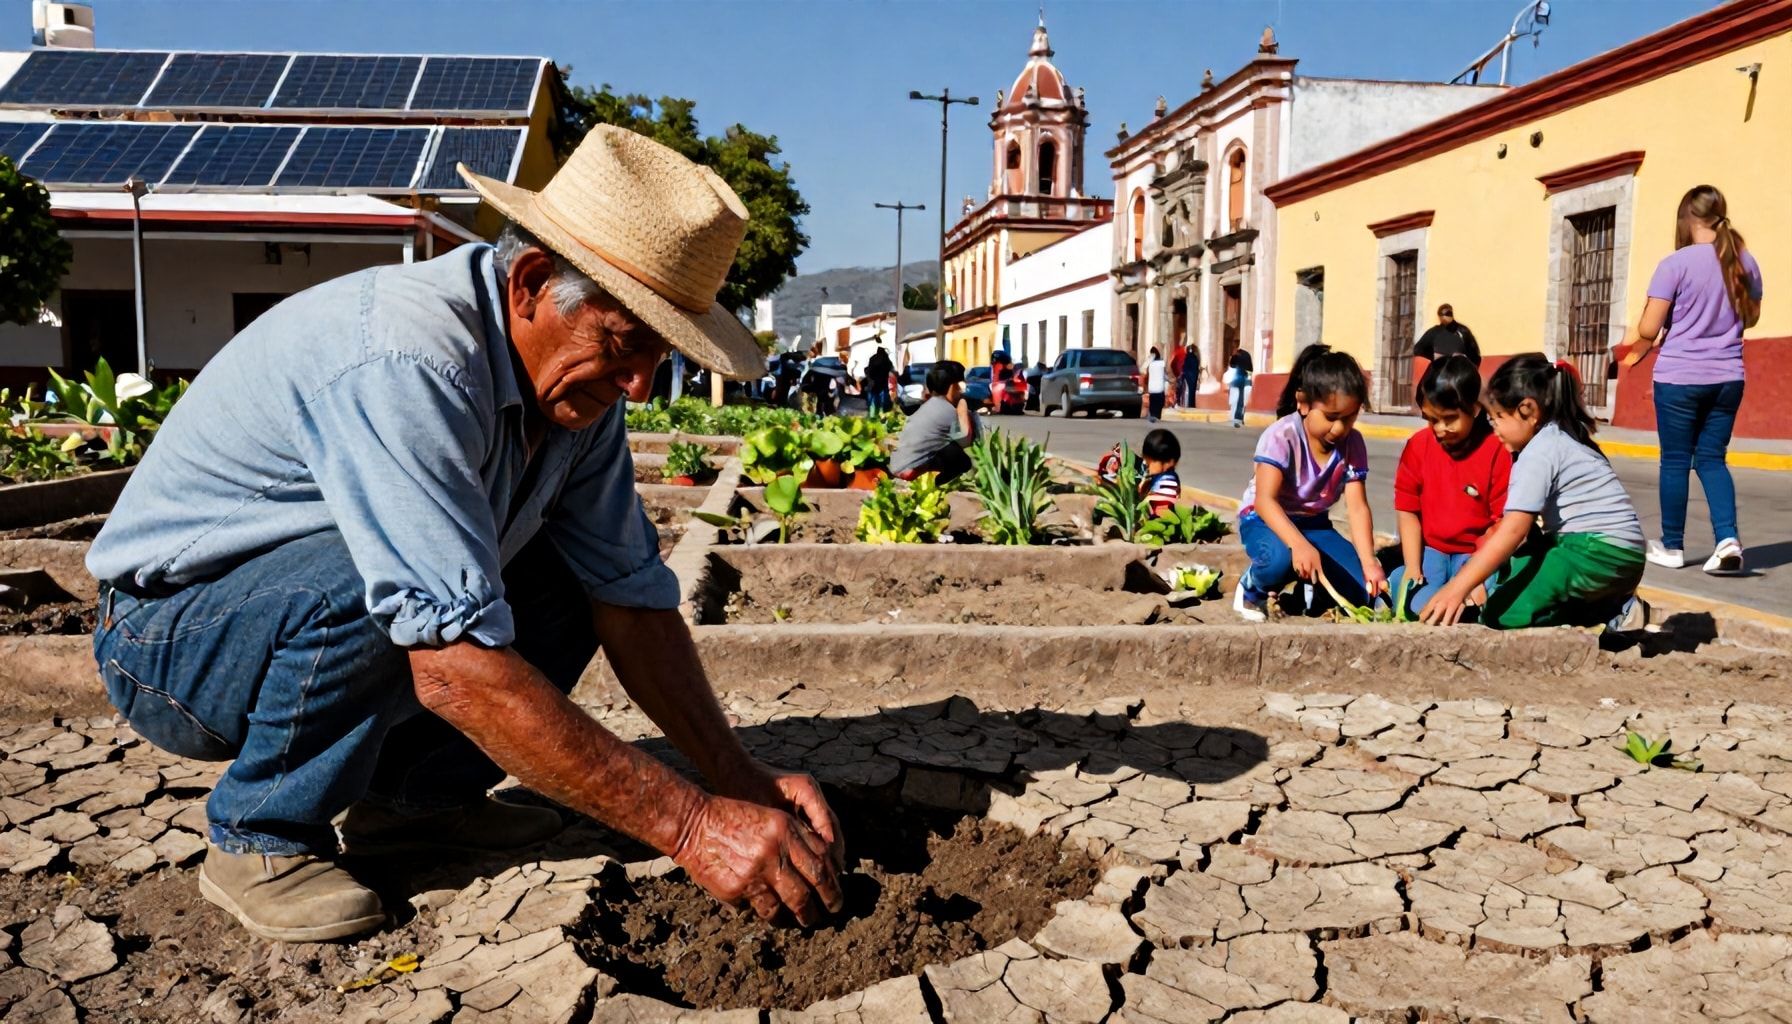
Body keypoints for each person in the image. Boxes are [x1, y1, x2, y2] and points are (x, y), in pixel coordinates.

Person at [83, 126, 846, 943]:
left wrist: (733, 774)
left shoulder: (576, 401)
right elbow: (451, 667)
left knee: (560, 581)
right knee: (392, 583)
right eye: (626, 343)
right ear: (529, 284)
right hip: (170, 641)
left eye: (659, 356)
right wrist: (694, 828)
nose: (639, 383)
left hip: (288, 616)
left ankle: (415, 808)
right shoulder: (410, 359)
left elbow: (630, 599)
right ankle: (259, 833)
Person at [1419, 355, 1648, 631]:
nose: (1495, 428)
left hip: (1594, 553)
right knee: (1519, 566)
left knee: (1500, 616)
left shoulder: (1538, 452)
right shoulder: (1564, 438)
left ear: (1528, 410)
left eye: (1499, 417)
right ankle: (1617, 610)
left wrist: (1456, 588)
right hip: (1622, 556)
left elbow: (1514, 530)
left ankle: (1613, 611)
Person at [1622, 184, 1764, 576]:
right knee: (1713, 460)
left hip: (1681, 377)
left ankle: (1672, 546)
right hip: (1729, 376)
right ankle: (1728, 539)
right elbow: (1750, 318)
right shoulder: (1745, 262)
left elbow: (1648, 328)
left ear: (1687, 217)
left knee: (1675, 462)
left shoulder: (1675, 264)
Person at [1232, 345, 1384, 622]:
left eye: (1349, 418)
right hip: (1264, 520)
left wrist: (1370, 562)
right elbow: (1265, 501)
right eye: (1331, 417)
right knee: (1279, 561)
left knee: (1364, 592)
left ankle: (1309, 591)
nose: (1339, 429)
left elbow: (1358, 508)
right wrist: (1298, 545)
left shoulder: (1353, 444)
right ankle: (1253, 587)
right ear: (1303, 402)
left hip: (1315, 524)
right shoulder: (1282, 436)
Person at [1387, 355, 1512, 619]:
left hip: (1475, 554)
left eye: (1450, 418)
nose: (1441, 429)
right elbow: (1408, 509)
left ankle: (1454, 603)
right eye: (1432, 419)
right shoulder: (1418, 446)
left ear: (1475, 409)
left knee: (1485, 589)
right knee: (1410, 590)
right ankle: (1430, 598)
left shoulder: (1496, 450)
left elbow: (1503, 522)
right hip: (1432, 551)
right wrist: (1412, 567)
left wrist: (1475, 578)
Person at [892, 360, 978, 483]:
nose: (960, 390)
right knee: (958, 455)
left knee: (947, 448)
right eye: (959, 386)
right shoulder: (946, 409)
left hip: (899, 465)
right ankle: (940, 484)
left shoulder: (929, 406)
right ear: (952, 386)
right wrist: (963, 408)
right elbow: (965, 440)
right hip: (912, 470)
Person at [1414, 304, 1481, 365]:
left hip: (1459, 369)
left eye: (1447, 314)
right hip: (1439, 369)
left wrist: (1463, 357)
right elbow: (1418, 349)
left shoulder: (1463, 331)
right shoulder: (1434, 332)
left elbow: (1474, 353)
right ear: (1439, 316)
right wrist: (1434, 356)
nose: (1444, 317)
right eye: (1441, 314)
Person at [1141, 428, 1182, 517]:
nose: (1147, 465)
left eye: (1150, 462)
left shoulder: (1165, 479)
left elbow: (1163, 503)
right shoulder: (1166, 476)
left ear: (1168, 463)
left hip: (1160, 513)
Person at [1225, 347, 1254, 427]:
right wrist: (1249, 381)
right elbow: (1250, 369)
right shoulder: (1247, 355)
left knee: (1235, 400)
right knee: (1242, 400)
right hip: (1244, 380)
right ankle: (1239, 418)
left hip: (1237, 380)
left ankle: (1235, 418)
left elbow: (1231, 365)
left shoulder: (1236, 357)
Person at [863, 346, 894, 416]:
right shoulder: (875, 401)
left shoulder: (881, 399)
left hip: (879, 375)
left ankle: (881, 349)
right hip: (877, 375)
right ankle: (881, 349)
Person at [1145, 346, 1167, 422]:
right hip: (1160, 388)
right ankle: (1157, 416)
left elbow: (1146, 375)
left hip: (1152, 388)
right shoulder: (1162, 363)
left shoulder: (1149, 364)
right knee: (1159, 404)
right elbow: (1165, 375)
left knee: (1153, 404)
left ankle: (1153, 416)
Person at [1178, 342, 1201, 409]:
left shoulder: (1188, 357)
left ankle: (1188, 405)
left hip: (1188, 376)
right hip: (1194, 375)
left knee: (1187, 392)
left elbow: (1185, 367)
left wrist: (1183, 375)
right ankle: (1192, 405)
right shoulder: (1196, 357)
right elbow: (1196, 367)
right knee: (1192, 392)